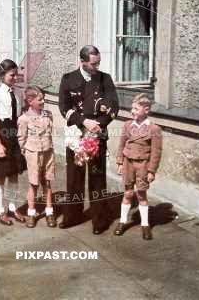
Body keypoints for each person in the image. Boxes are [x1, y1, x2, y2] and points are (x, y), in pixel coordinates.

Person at [58, 45, 119, 234]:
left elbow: (114, 107)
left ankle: (100, 220)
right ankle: (72, 216)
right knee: (74, 178)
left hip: (97, 135)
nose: (97, 66)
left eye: (98, 62)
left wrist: (97, 125)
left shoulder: (105, 79)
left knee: (97, 178)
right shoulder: (68, 79)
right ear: (82, 61)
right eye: (93, 63)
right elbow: (64, 107)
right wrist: (84, 121)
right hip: (76, 136)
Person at [114, 93, 162, 240]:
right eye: (132, 108)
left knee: (141, 194)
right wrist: (120, 162)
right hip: (128, 163)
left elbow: (156, 151)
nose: (132, 111)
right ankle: (122, 222)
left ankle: (145, 224)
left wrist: (151, 171)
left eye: (136, 108)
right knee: (128, 193)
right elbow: (122, 144)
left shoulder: (154, 129)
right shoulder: (128, 125)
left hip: (142, 165)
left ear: (146, 110)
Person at [0, 59, 27, 226]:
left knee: (14, 174)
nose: (15, 77)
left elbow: (20, 115)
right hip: (3, 134)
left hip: (15, 134)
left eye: (16, 74)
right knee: (0, 175)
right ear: (3, 75)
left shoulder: (17, 93)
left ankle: (12, 207)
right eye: (12, 75)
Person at [17, 86, 57, 228]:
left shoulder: (48, 114)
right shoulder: (24, 119)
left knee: (47, 182)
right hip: (33, 154)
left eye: (43, 98)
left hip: (48, 152)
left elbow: (50, 132)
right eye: (40, 99)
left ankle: (49, 211)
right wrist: (26, 153)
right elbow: (21, 139)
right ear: (30, 100)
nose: (43, 101)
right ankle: (32, 212)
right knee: (33, 184)